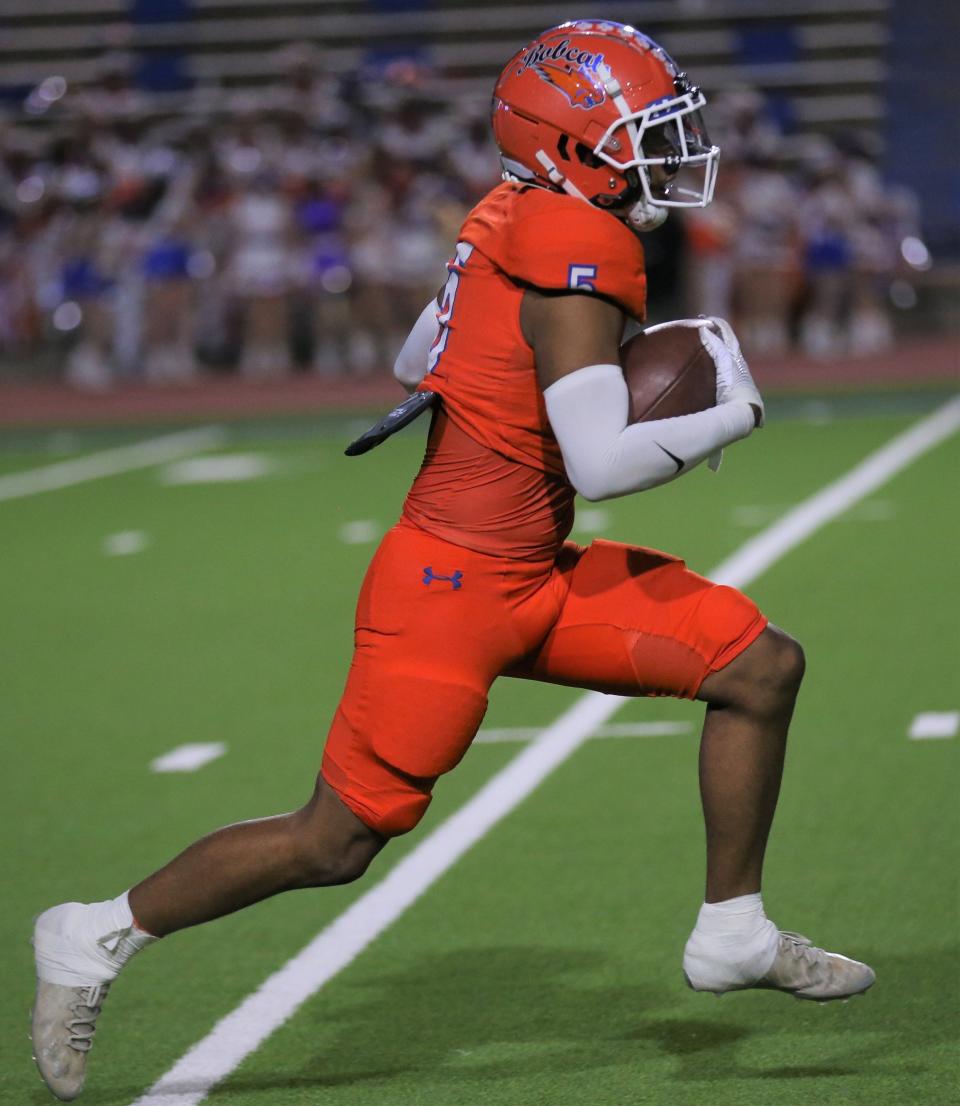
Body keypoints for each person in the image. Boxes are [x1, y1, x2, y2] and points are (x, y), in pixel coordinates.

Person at [31, 22, 874, 1102]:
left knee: (760, 665)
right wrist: (733, 413)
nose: (669, 148)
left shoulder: (504, 209)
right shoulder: (578, 249)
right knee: (334, 841)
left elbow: (412, 357)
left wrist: (497, 368)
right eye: (640, 131)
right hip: (452, 591)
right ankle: (95, 932)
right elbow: (604, 462)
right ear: (571, 144)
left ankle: (735, 929)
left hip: (526, 569)